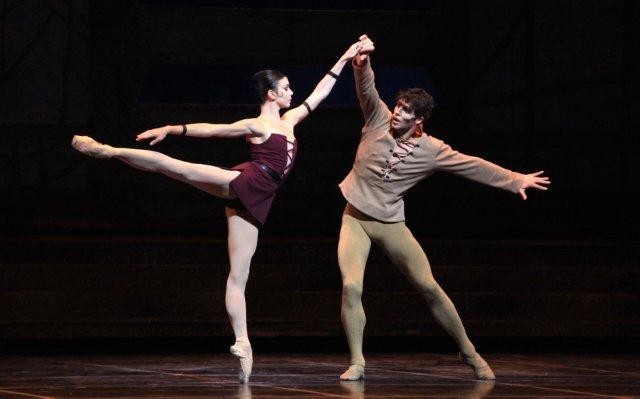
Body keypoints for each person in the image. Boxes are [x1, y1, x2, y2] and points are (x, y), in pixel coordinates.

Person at [71, 40, 361, 384]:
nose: (291, 92)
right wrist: (173, 128)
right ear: (270, 94)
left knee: (239, 275)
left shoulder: (291, 120)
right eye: (284, 88)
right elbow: (213, 129)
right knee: (177, 168)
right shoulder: (257, 125)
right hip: (247, 182)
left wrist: (344, 57)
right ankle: (109, 151)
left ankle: (243, 343)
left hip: (257, 199)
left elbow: (321, 91)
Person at [337, 34, 550, 381]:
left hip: (390, 223)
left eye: (406, 111)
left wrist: (514, 179)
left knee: (429, 286)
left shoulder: (433, 150)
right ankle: (358, 362)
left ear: (418, 120)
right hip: (355, 218)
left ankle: (471, 353)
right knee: (351, 286)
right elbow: (367, 88)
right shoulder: (377, 118)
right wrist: (362, 63)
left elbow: (473, 164)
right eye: (398, 105)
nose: (397, 113)